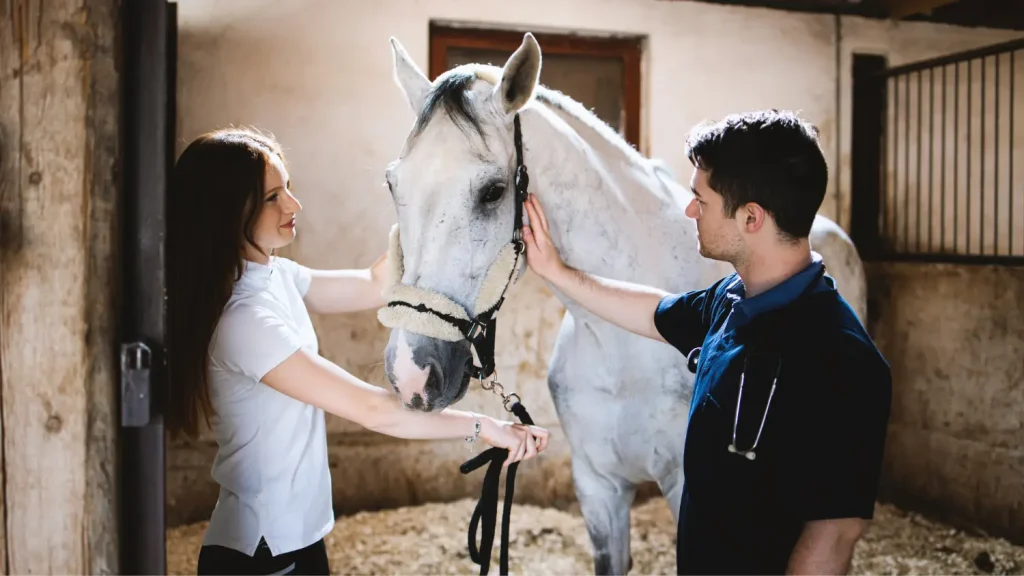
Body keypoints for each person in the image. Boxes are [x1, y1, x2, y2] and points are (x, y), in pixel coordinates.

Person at [521, 110, 891, 575]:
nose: (689, 210)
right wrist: (557, 272)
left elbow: (832, 537)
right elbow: (654, 311)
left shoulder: (845, 361)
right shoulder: (729, 301)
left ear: (751, 217)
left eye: (702, 199)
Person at [166, 126, 550, 575]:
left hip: (300, 539)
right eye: (272, 197)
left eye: (288, 188)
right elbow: (373, 410)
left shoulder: (276, 277)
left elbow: (373, 284)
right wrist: (484, 427)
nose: (294, 205)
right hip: (260, 553)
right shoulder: (243, 321)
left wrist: (436, 213)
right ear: (229, 210)